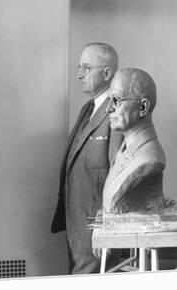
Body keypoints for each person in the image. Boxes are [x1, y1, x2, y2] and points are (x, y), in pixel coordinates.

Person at [51, 42, 123, 274]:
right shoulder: (88, 108)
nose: (79, 74)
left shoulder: (117, 112)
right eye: (79, 67)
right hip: (77, 218)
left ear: (107, 73)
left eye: (86, 68)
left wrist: (107, 224)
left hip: (96, 221)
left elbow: (118, 173)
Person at [101, 68, 166, 214]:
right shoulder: (124, 150)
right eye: (108, 100)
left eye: (116, 100)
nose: (108, 109)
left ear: (143, 107)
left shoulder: (148, 159)